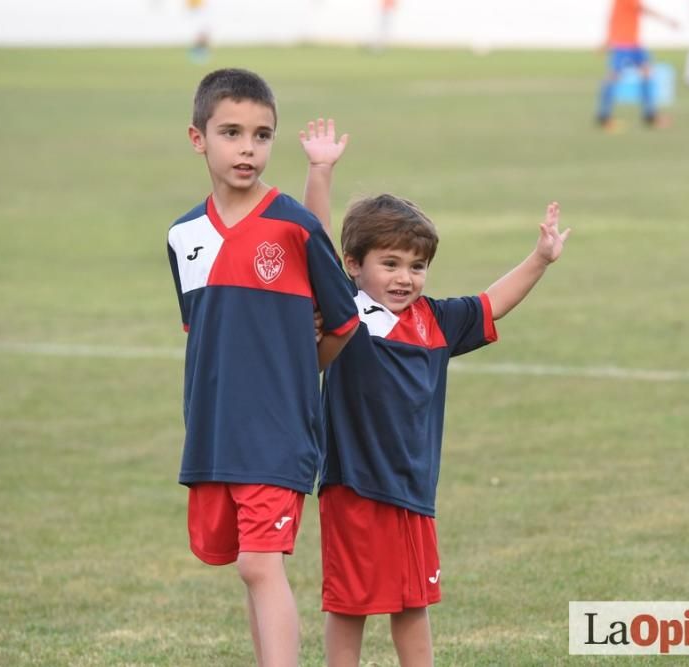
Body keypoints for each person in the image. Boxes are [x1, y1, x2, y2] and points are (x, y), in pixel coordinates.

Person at [299, 119, 570, 667]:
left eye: (417, 266)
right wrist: (320, 171)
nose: (405, 278)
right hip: (354, 488)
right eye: (390, 264)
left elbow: (492, 303)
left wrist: (539, 259)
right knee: (349, 605)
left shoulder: (436, 322)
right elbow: (313, 241)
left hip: (414, 492)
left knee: (413, 602)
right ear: (354, 266)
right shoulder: (346, 314)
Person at [166, 70, 359, 667]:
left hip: (278, 431)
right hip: (216, 431)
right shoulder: (182, 236)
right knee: (249, 568)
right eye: (231, 132)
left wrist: (303, 372)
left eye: (261, 134)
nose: (248, 147)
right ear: (198, 138)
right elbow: (202, 335)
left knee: (259, 562)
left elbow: (343, 323)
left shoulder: (293, 225)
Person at [596, 0, 680, 132]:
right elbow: (642, 9)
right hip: (623, 43)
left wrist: (607, 39)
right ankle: (603, 116)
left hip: (634, 43)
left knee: (646, 71)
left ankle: (649, 115)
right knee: (613, 76)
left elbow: (615, 17)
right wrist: (668, 20)